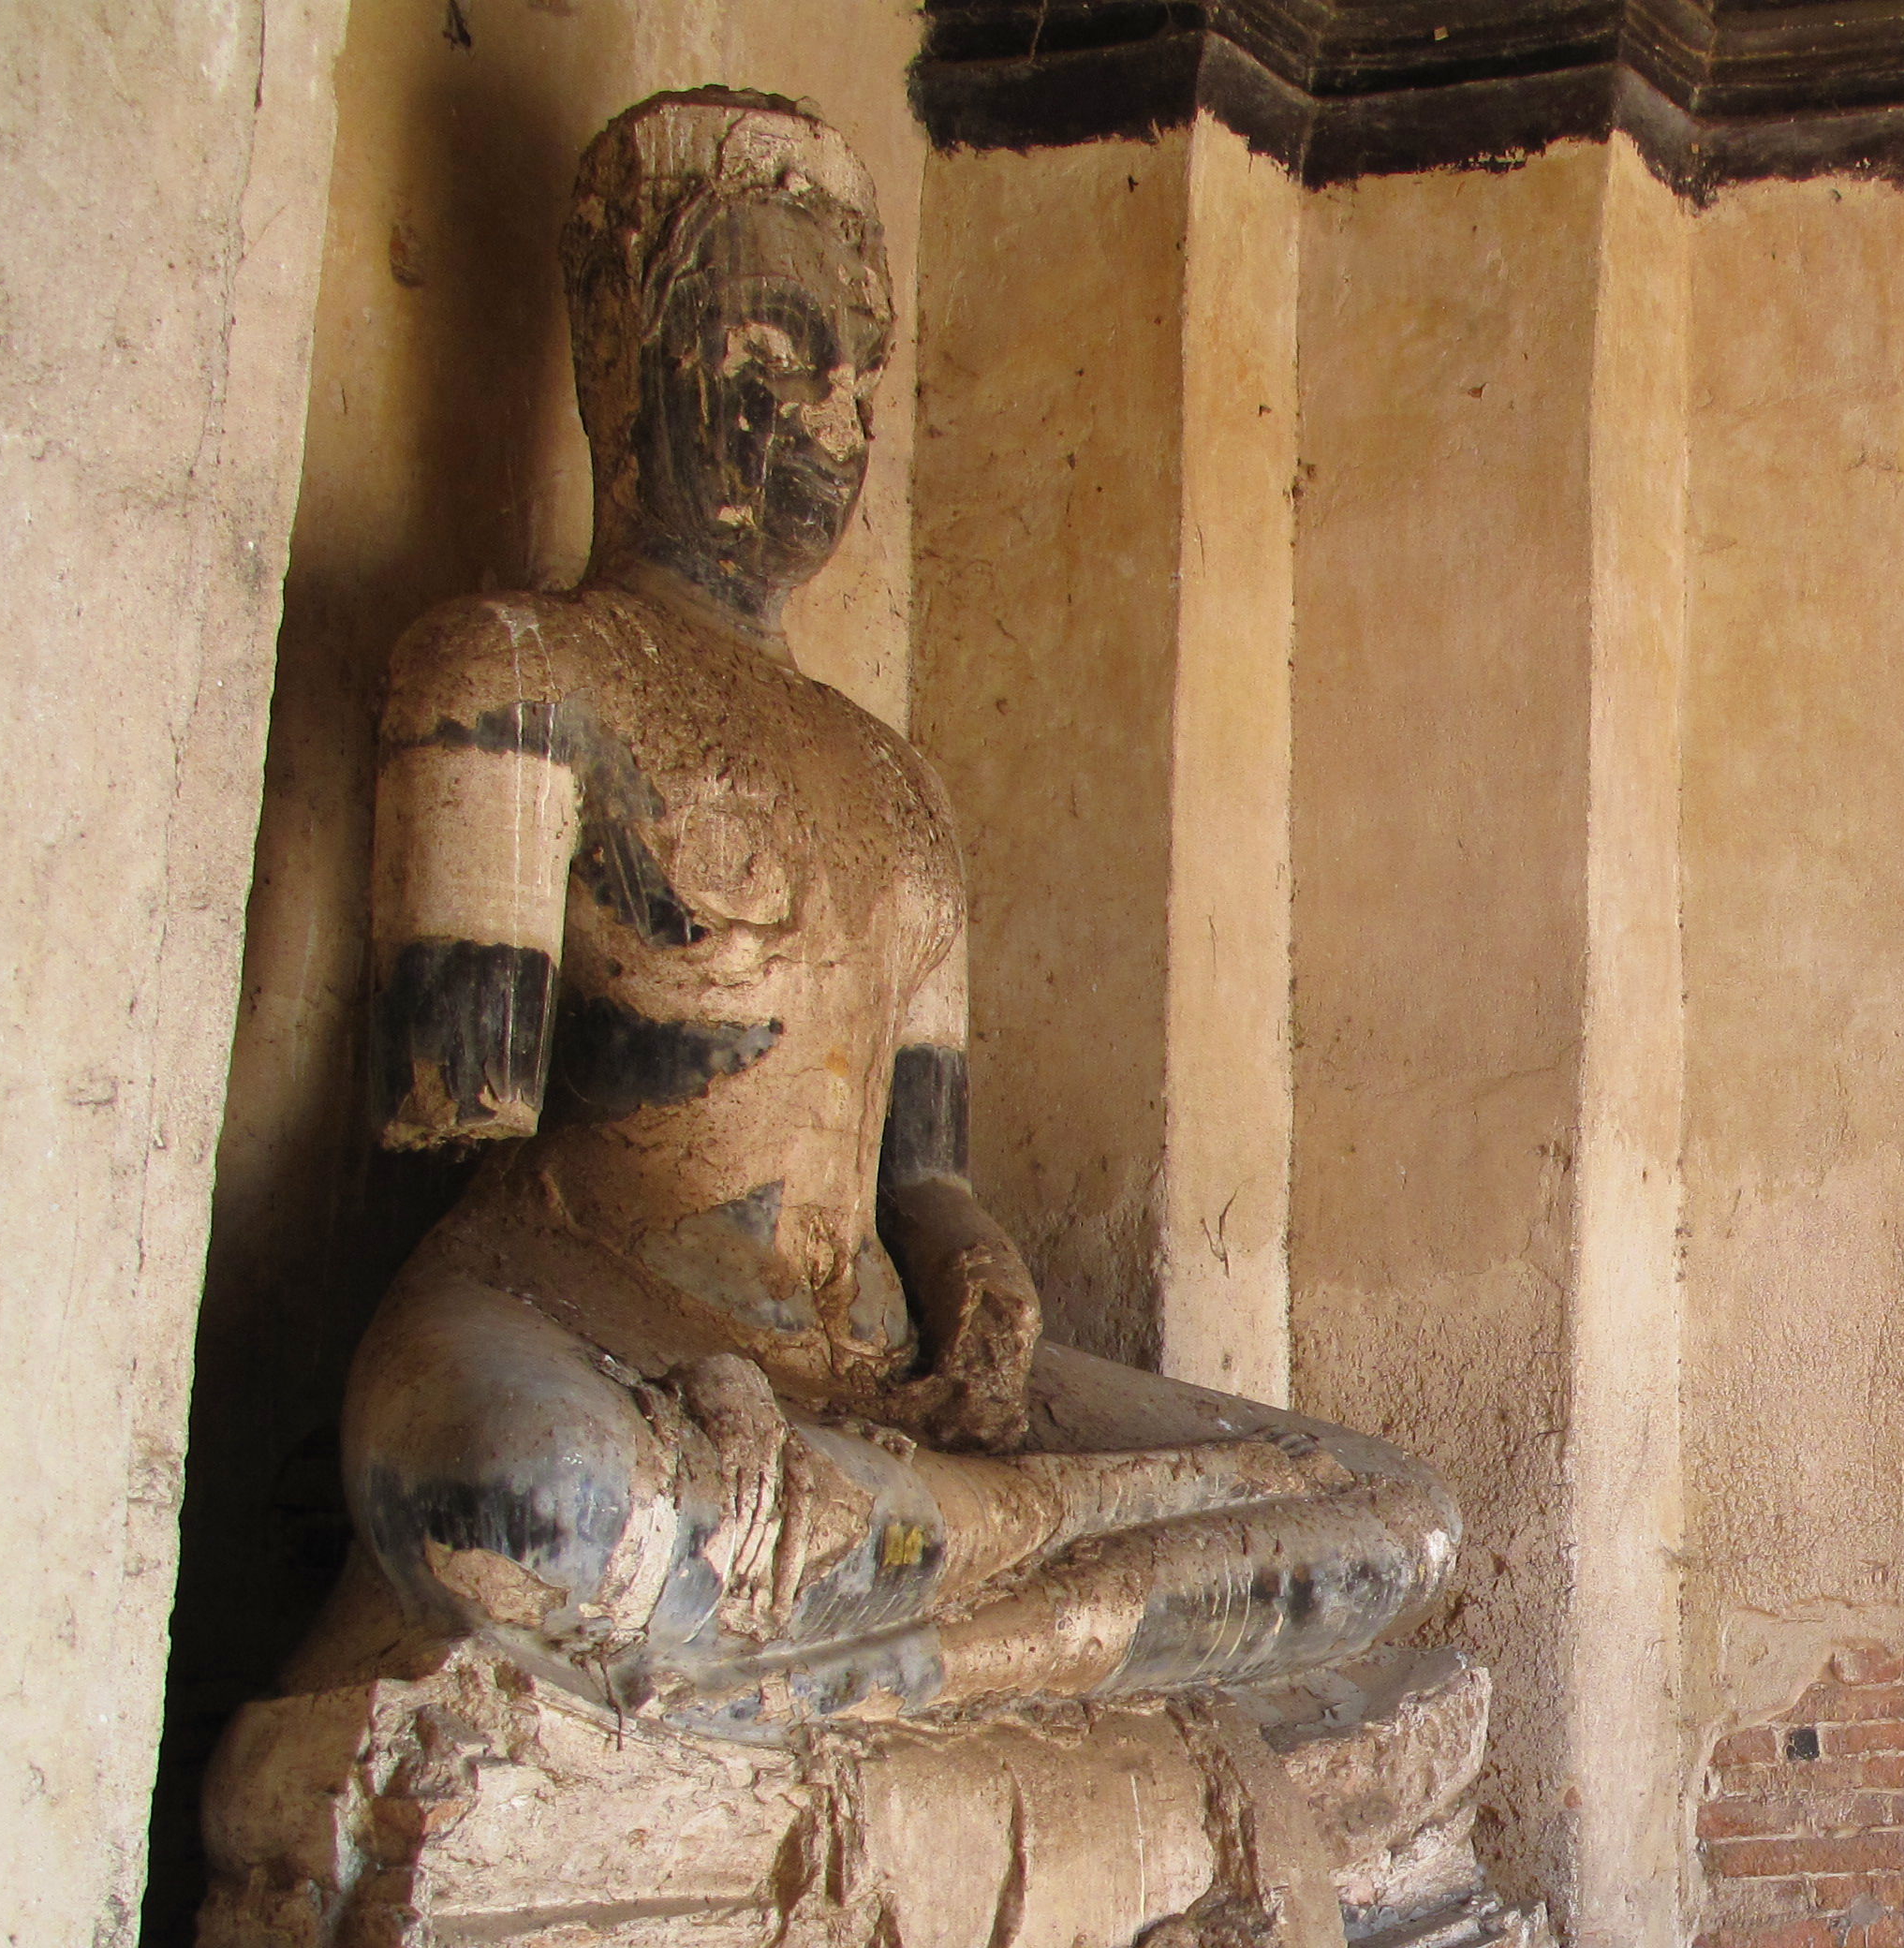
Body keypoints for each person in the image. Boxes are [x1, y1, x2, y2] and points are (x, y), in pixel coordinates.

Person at [339, 91, 1450, 1726]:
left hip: (879, 1381)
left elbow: (918, 1170)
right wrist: (702, 1380)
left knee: (1392, 1531)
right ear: (624, 358)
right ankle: (956, 1593)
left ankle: (798, 1659)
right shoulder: (514, 675)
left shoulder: (901, 786)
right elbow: (469, 1141)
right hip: (592, 1328)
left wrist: (980, 1270)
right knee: (532, 1505)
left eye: (857, 373)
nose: (827, 421)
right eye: (773, 352)